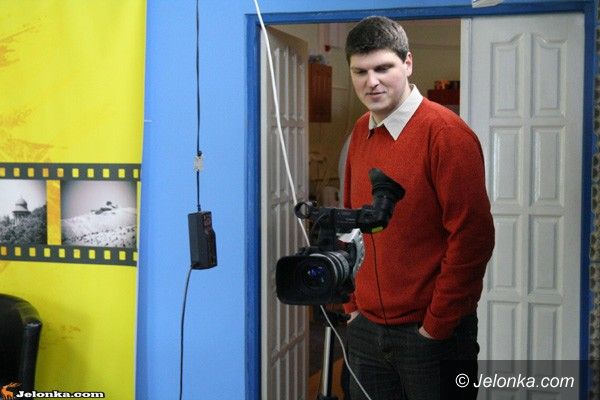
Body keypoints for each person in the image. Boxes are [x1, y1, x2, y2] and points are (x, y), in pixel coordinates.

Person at [342, 16, 495, 400]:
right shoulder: (361, 130)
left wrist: (436, 325)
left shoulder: (446, 133)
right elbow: (349, 221)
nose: (371, 81)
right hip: (366, 330)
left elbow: (472, 239)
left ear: (407, 63)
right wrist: (352, 305)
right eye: (360, 71)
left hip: (431, 335)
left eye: (383, 68)